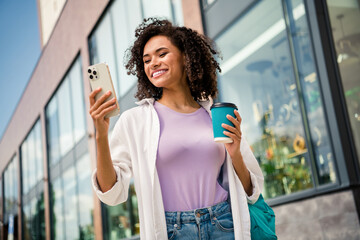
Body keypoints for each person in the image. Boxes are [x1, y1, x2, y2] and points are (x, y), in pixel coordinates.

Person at [89, 18, 264, 240]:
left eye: (162, 54)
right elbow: (111, 194)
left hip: (224, 225)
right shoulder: (135, 121)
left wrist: (235, 153)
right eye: (146, 59)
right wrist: (101, 136)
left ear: (185, 57)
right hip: (173, 231)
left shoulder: (214, 114)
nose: (153, 63)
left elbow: (252, 190)